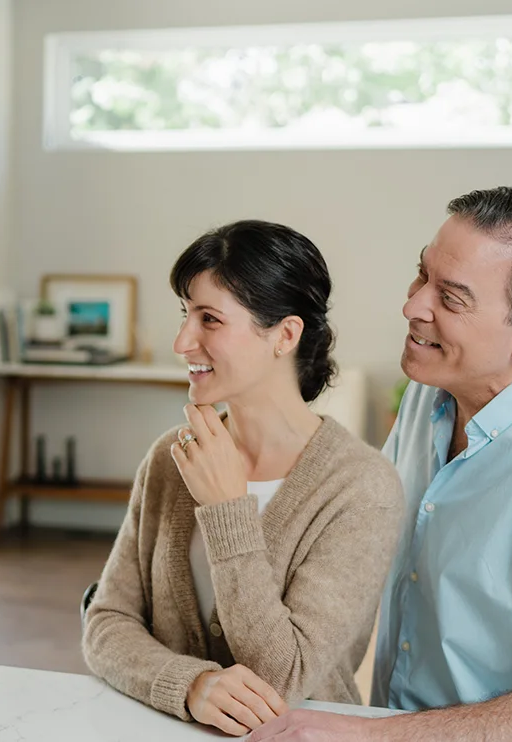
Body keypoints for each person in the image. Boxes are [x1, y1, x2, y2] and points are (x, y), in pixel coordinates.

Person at [249, 187, 512, 742]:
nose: (412, 306)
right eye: (420, 275)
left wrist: (364, 736)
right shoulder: (431, 394)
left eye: (450, 298)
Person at [82, 220, 406, 737]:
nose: (182, 341)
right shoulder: (171, 457)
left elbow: (285, 677)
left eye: (210, 319)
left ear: (285, 334)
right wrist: (189, 685)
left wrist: (227, 509)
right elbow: (106, 622)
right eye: (186, 314)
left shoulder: (361, 487)